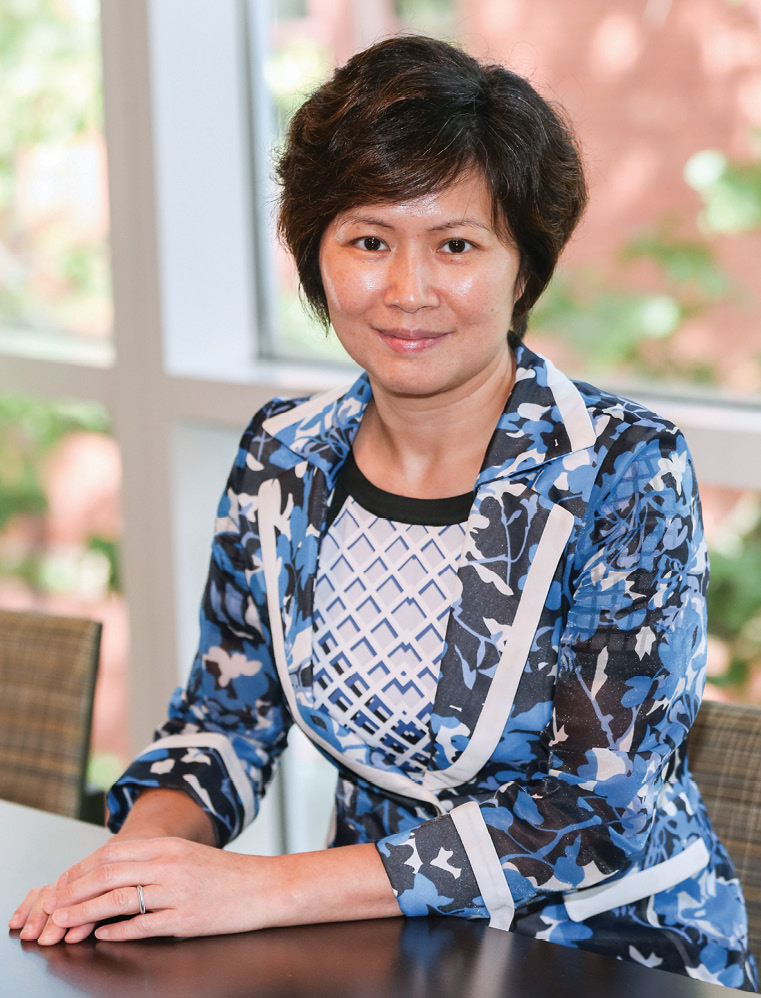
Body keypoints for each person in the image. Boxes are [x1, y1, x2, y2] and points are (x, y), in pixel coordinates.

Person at [10, 34, 758, 991]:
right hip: (376, 954)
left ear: (522, 267)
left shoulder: (621, 470)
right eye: (368, 241)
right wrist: (145, 867)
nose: (407, 292)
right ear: (316, 255)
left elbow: (592, 815)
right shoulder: (283, 456)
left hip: (608, 954)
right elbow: (224, 718)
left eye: (455, 245)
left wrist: (259, 890)